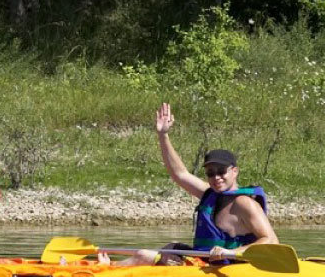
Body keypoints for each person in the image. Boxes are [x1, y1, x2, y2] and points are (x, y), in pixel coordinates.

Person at [101, 102, 278, 266]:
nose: (216, 177)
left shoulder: (244, 203)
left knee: (144, 256)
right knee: (170, 248)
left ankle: (106, 271)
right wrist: (163, 135)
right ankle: (109, 268)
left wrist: (230, 252)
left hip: (226, 267)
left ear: (234, 171)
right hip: (204, 262)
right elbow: (180, 174)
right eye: (210, 173)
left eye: (221, 172)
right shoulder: (211, 195)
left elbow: (270, 240)